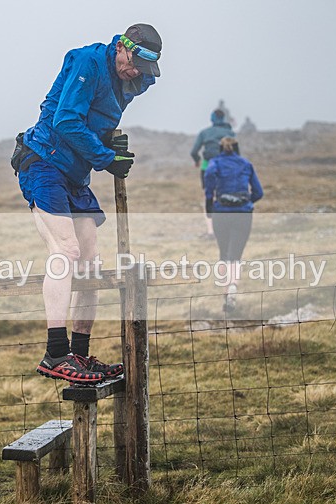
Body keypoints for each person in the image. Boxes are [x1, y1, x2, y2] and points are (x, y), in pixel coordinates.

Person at [13, 24, 162, 384]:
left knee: (91, 262)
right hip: (43, 161)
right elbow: (66, 120)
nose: (137, 74)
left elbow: (99, 118)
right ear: (124, 47)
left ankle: (78, 353)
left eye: (145, 70)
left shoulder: (132, 80)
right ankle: (55, 354)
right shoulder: (88, 61)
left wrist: (112, 146)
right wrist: (104, 157)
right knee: (65, 250)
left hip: (75, 175)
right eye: (136, 64)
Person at [204, 136, 263, 312]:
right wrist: (246, 202)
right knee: (235, 254)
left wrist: (210, 208)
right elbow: (258, 192)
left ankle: (225, 291)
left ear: (220, 148)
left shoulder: (214, 163)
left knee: (223, 253)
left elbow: (208, 186)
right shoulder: (246, 164)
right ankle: (233, 288)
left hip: (221, 212)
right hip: (243, 214)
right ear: (237, 147)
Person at [191, 108, 238, 236]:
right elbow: (236, 153)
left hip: (207, 167)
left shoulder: (205, 133)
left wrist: (197, 161)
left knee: (208, 196)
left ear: (212, 118)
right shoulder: (230, 133)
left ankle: (211, 231)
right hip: (227, 168)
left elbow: (194, 151)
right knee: (225, 196)